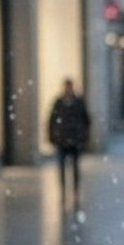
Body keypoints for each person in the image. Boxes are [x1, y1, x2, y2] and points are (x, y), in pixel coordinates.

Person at [47, 78, 91, 214]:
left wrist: (83, 136)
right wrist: (53, 137)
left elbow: (86, 120)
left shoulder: (78, 102)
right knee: (62, 168)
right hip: (62, 140)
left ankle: (75, 192)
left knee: (75, 168)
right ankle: (63, 192)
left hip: (75, 140)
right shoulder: (58, 103)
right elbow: (51, 121)